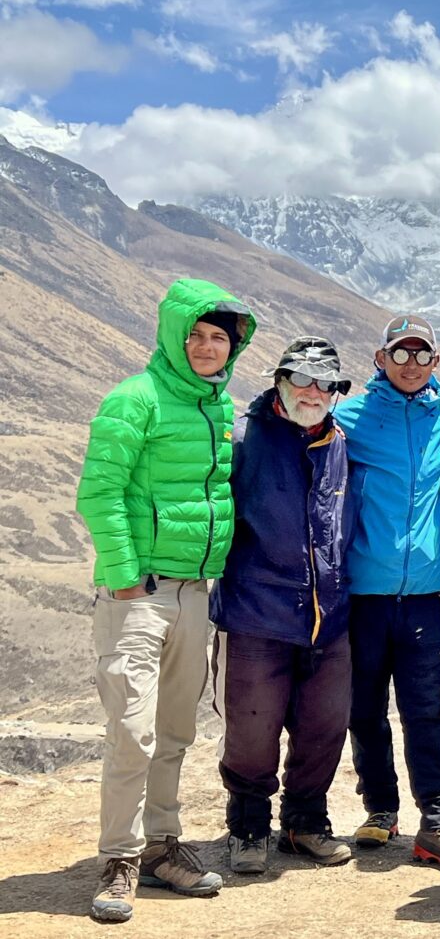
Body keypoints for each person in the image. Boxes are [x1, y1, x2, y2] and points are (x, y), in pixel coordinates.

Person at [76, 279, 255, 923]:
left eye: (220, 338)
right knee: (132, 729)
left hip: (195, 592)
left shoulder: (219, 406)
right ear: (173, 336)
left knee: (176, 730)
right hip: (140, 591)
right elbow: (100, 490)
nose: (207, 347)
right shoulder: (134, 399)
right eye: (197, 334)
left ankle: (160, 847)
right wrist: (124, 573)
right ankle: (119, 859)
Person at [333, 314, 440, 873]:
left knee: (424, 710)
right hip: (364, 593)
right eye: (401, 354)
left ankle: (438, 823)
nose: (411, 364)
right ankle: (380, 809)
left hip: (422, 596)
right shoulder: (350, 417)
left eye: (422, 355)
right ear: (380, 359)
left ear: (436, 363)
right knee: (365, 709)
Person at [209, 336, 355, 875]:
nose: (313, 392)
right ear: (279, 381)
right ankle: (247, 824)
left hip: (329, 615)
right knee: (251, 731)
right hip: (255, 614)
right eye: (302, 379)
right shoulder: (244, 439)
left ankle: (305, 822)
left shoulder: (343, 442)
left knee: (325, 724)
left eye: (325, 383)